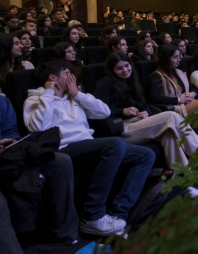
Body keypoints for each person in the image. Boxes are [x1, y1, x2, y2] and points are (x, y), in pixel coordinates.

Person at [24, 60, 155, 236]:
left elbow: (105, 112)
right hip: (62, 150)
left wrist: (78, 94)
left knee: (146, 155)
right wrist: (48, 93)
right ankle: (92, 215)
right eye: (67, 73)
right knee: (115, 144)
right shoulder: (36, 98)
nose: (72, 77)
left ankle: (118, 215)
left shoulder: (75, 95)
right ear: (52, 77)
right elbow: (36, 128)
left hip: (88, 146)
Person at [94, 53, 198, 171]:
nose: (125, 70)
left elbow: (145, 105)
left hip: (139, 123)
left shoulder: (132, 82)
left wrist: (146, 113)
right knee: (171, 116)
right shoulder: (106, 82)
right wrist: (122, 111)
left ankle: (182, 178)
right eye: (119, 68)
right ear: (112, 70)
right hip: (122, 128)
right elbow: (97, 110)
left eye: (127, 66)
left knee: (169, 134)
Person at [0, 95, 80, 252]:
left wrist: (11, 141)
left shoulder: (2, 101)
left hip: (7, 158)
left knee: (60, 162)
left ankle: (66, 238)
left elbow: (11, 132)